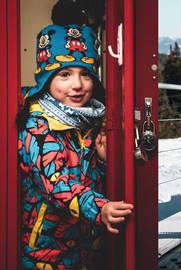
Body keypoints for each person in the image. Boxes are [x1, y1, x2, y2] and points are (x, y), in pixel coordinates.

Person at [17, 24, 134, 269]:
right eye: (64, 74)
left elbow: (89, 176)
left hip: (87, 247)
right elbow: (55, 181)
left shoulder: (90, 119)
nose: (78, 84)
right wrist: (100, 208)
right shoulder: (37, 124)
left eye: (86, 74)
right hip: (46, 251)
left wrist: (103, 161)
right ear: (46, 78)